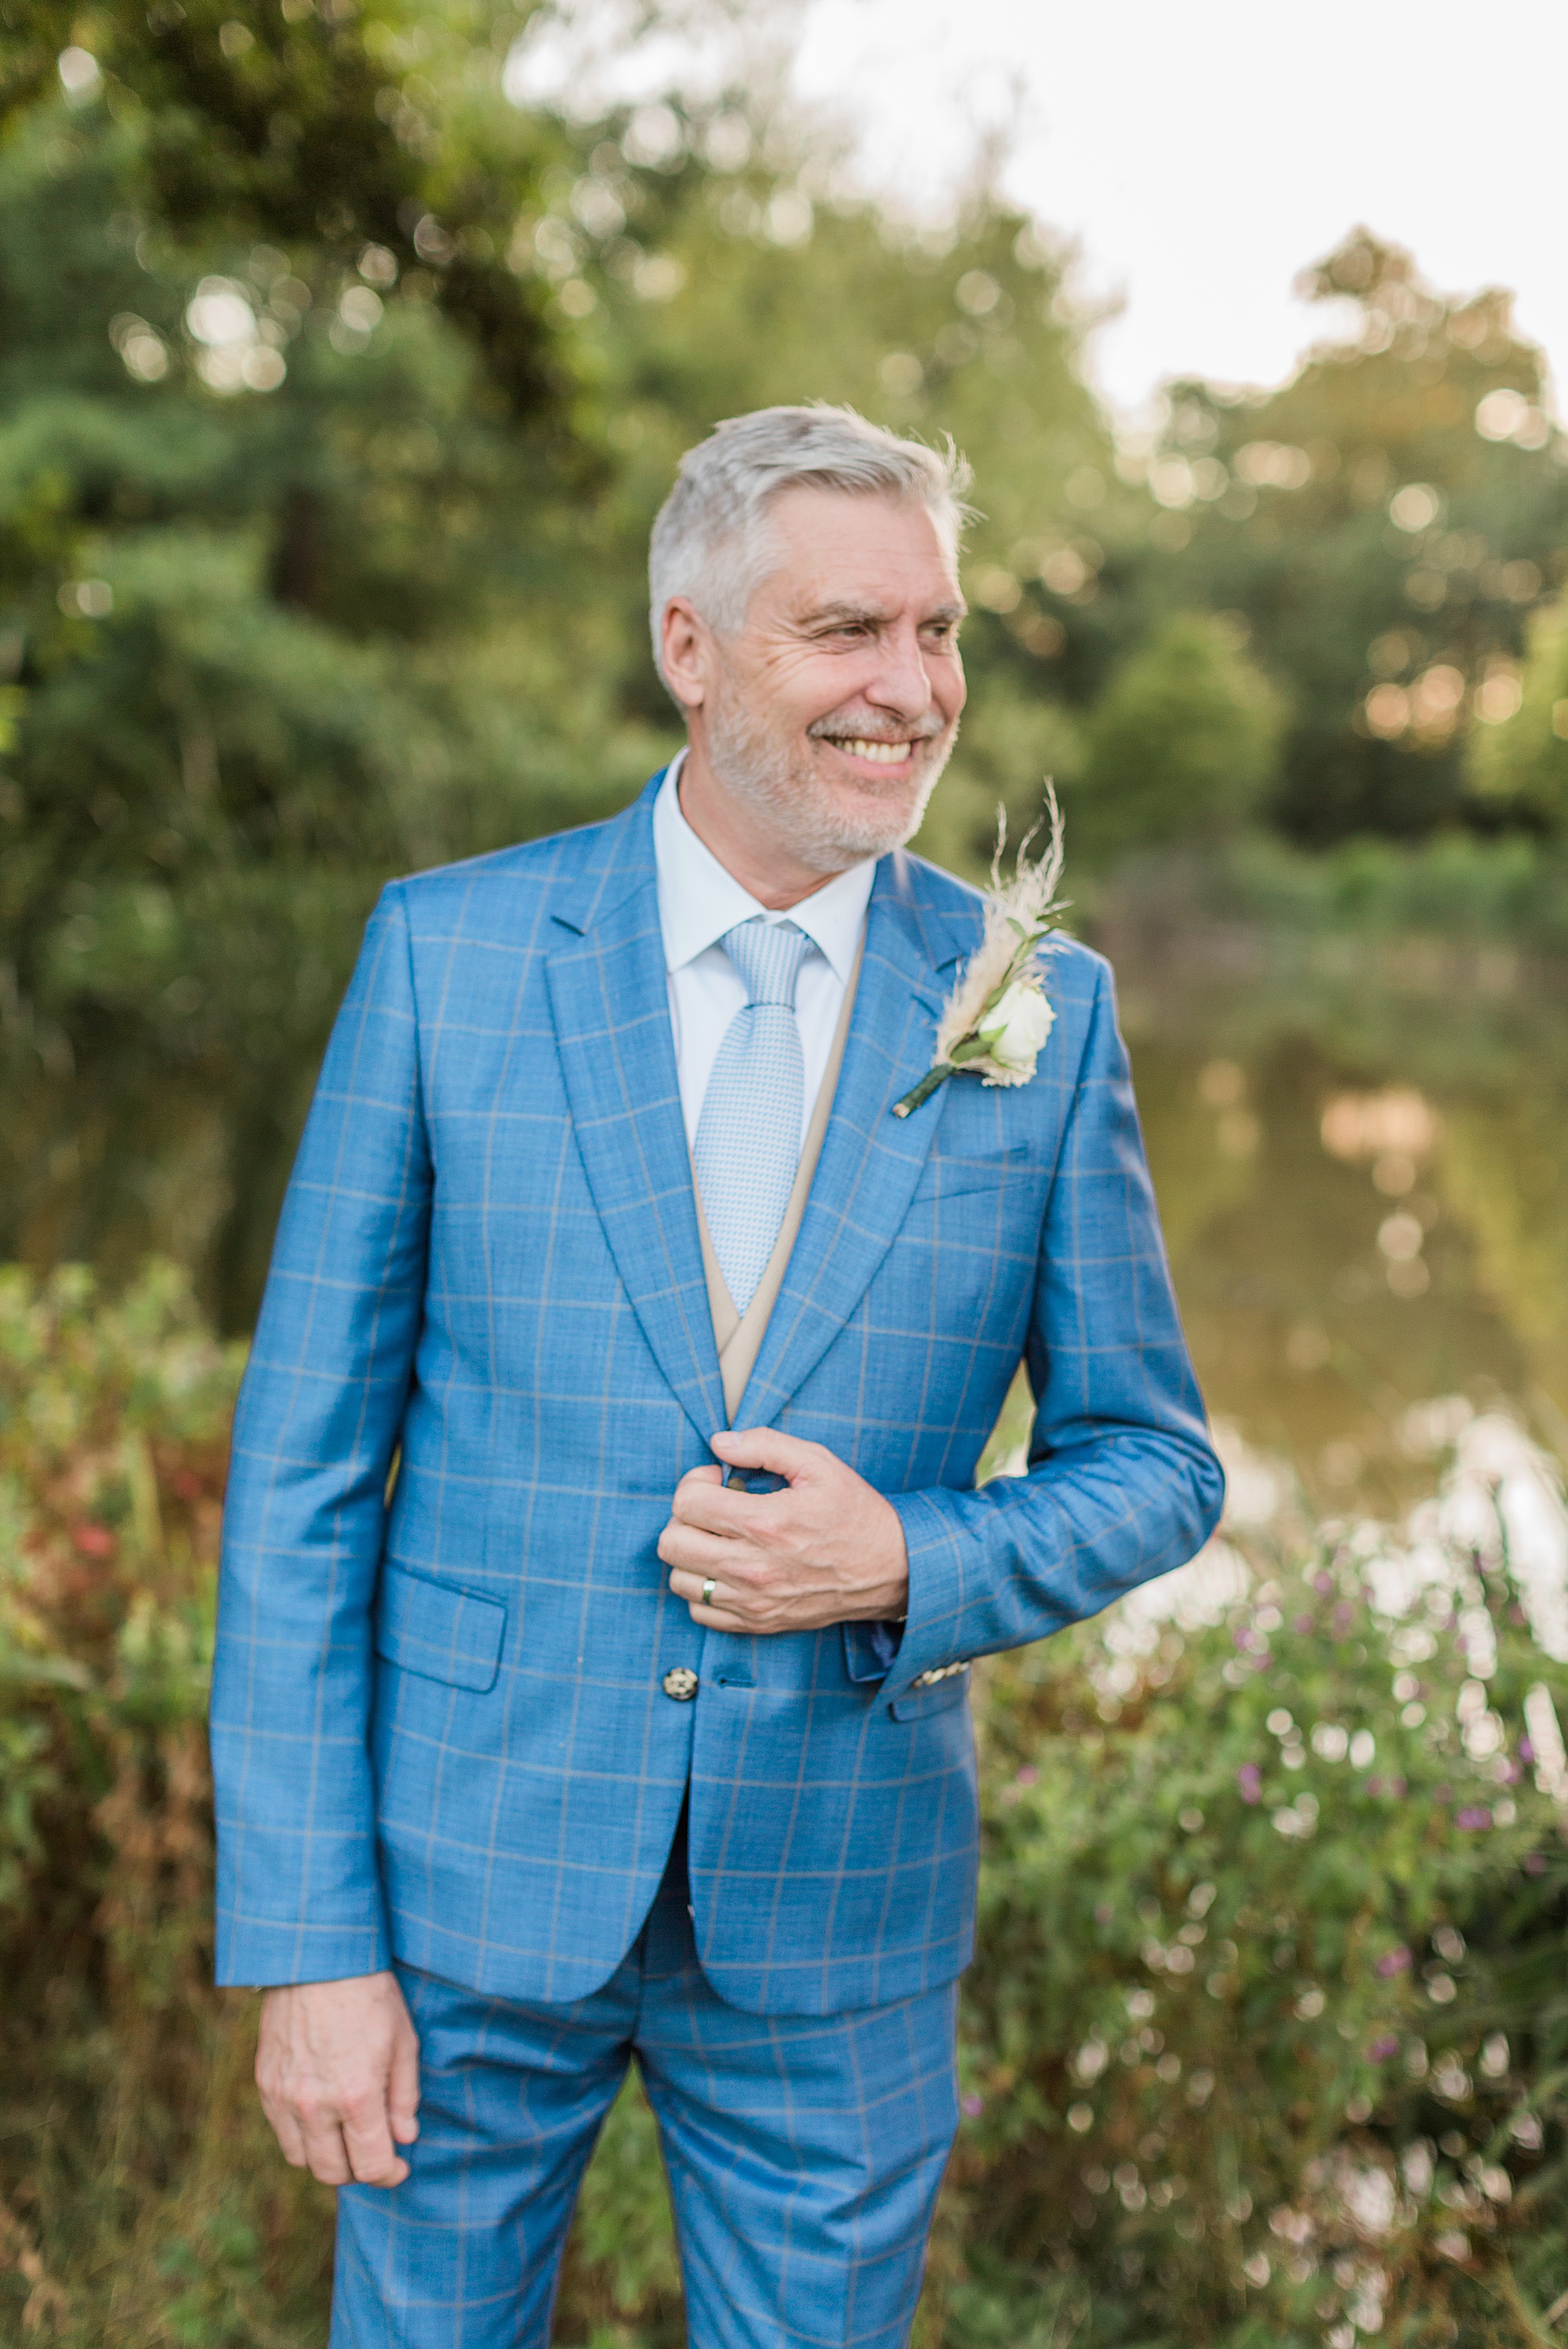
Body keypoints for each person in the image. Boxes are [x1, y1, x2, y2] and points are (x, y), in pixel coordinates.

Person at [211, 403, 1223, 2347]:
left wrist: (909, 1560)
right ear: (689, 645)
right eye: (846, 632)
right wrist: (310, 1941)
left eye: (935, 635)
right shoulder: (445, 957)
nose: (909, 691)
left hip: (837, 1914)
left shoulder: (1040, 1008)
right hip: (464, 1886)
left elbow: (1153, 1461)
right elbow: (302, 1482)